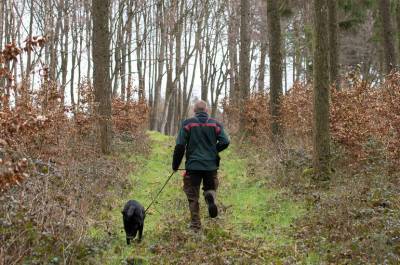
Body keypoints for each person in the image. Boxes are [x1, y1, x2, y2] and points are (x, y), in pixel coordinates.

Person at [172, 100, 230, 231]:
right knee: (210, 188)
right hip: (211, 166)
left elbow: (180, 145)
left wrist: (175, 165)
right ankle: (210, 197)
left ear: (194, 111)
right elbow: (226, 141)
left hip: (193, 167)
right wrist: (214, 150)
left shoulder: (187, 124)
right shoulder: (215, 124)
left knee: (193, 196)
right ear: (207, 110)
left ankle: (195, 226)